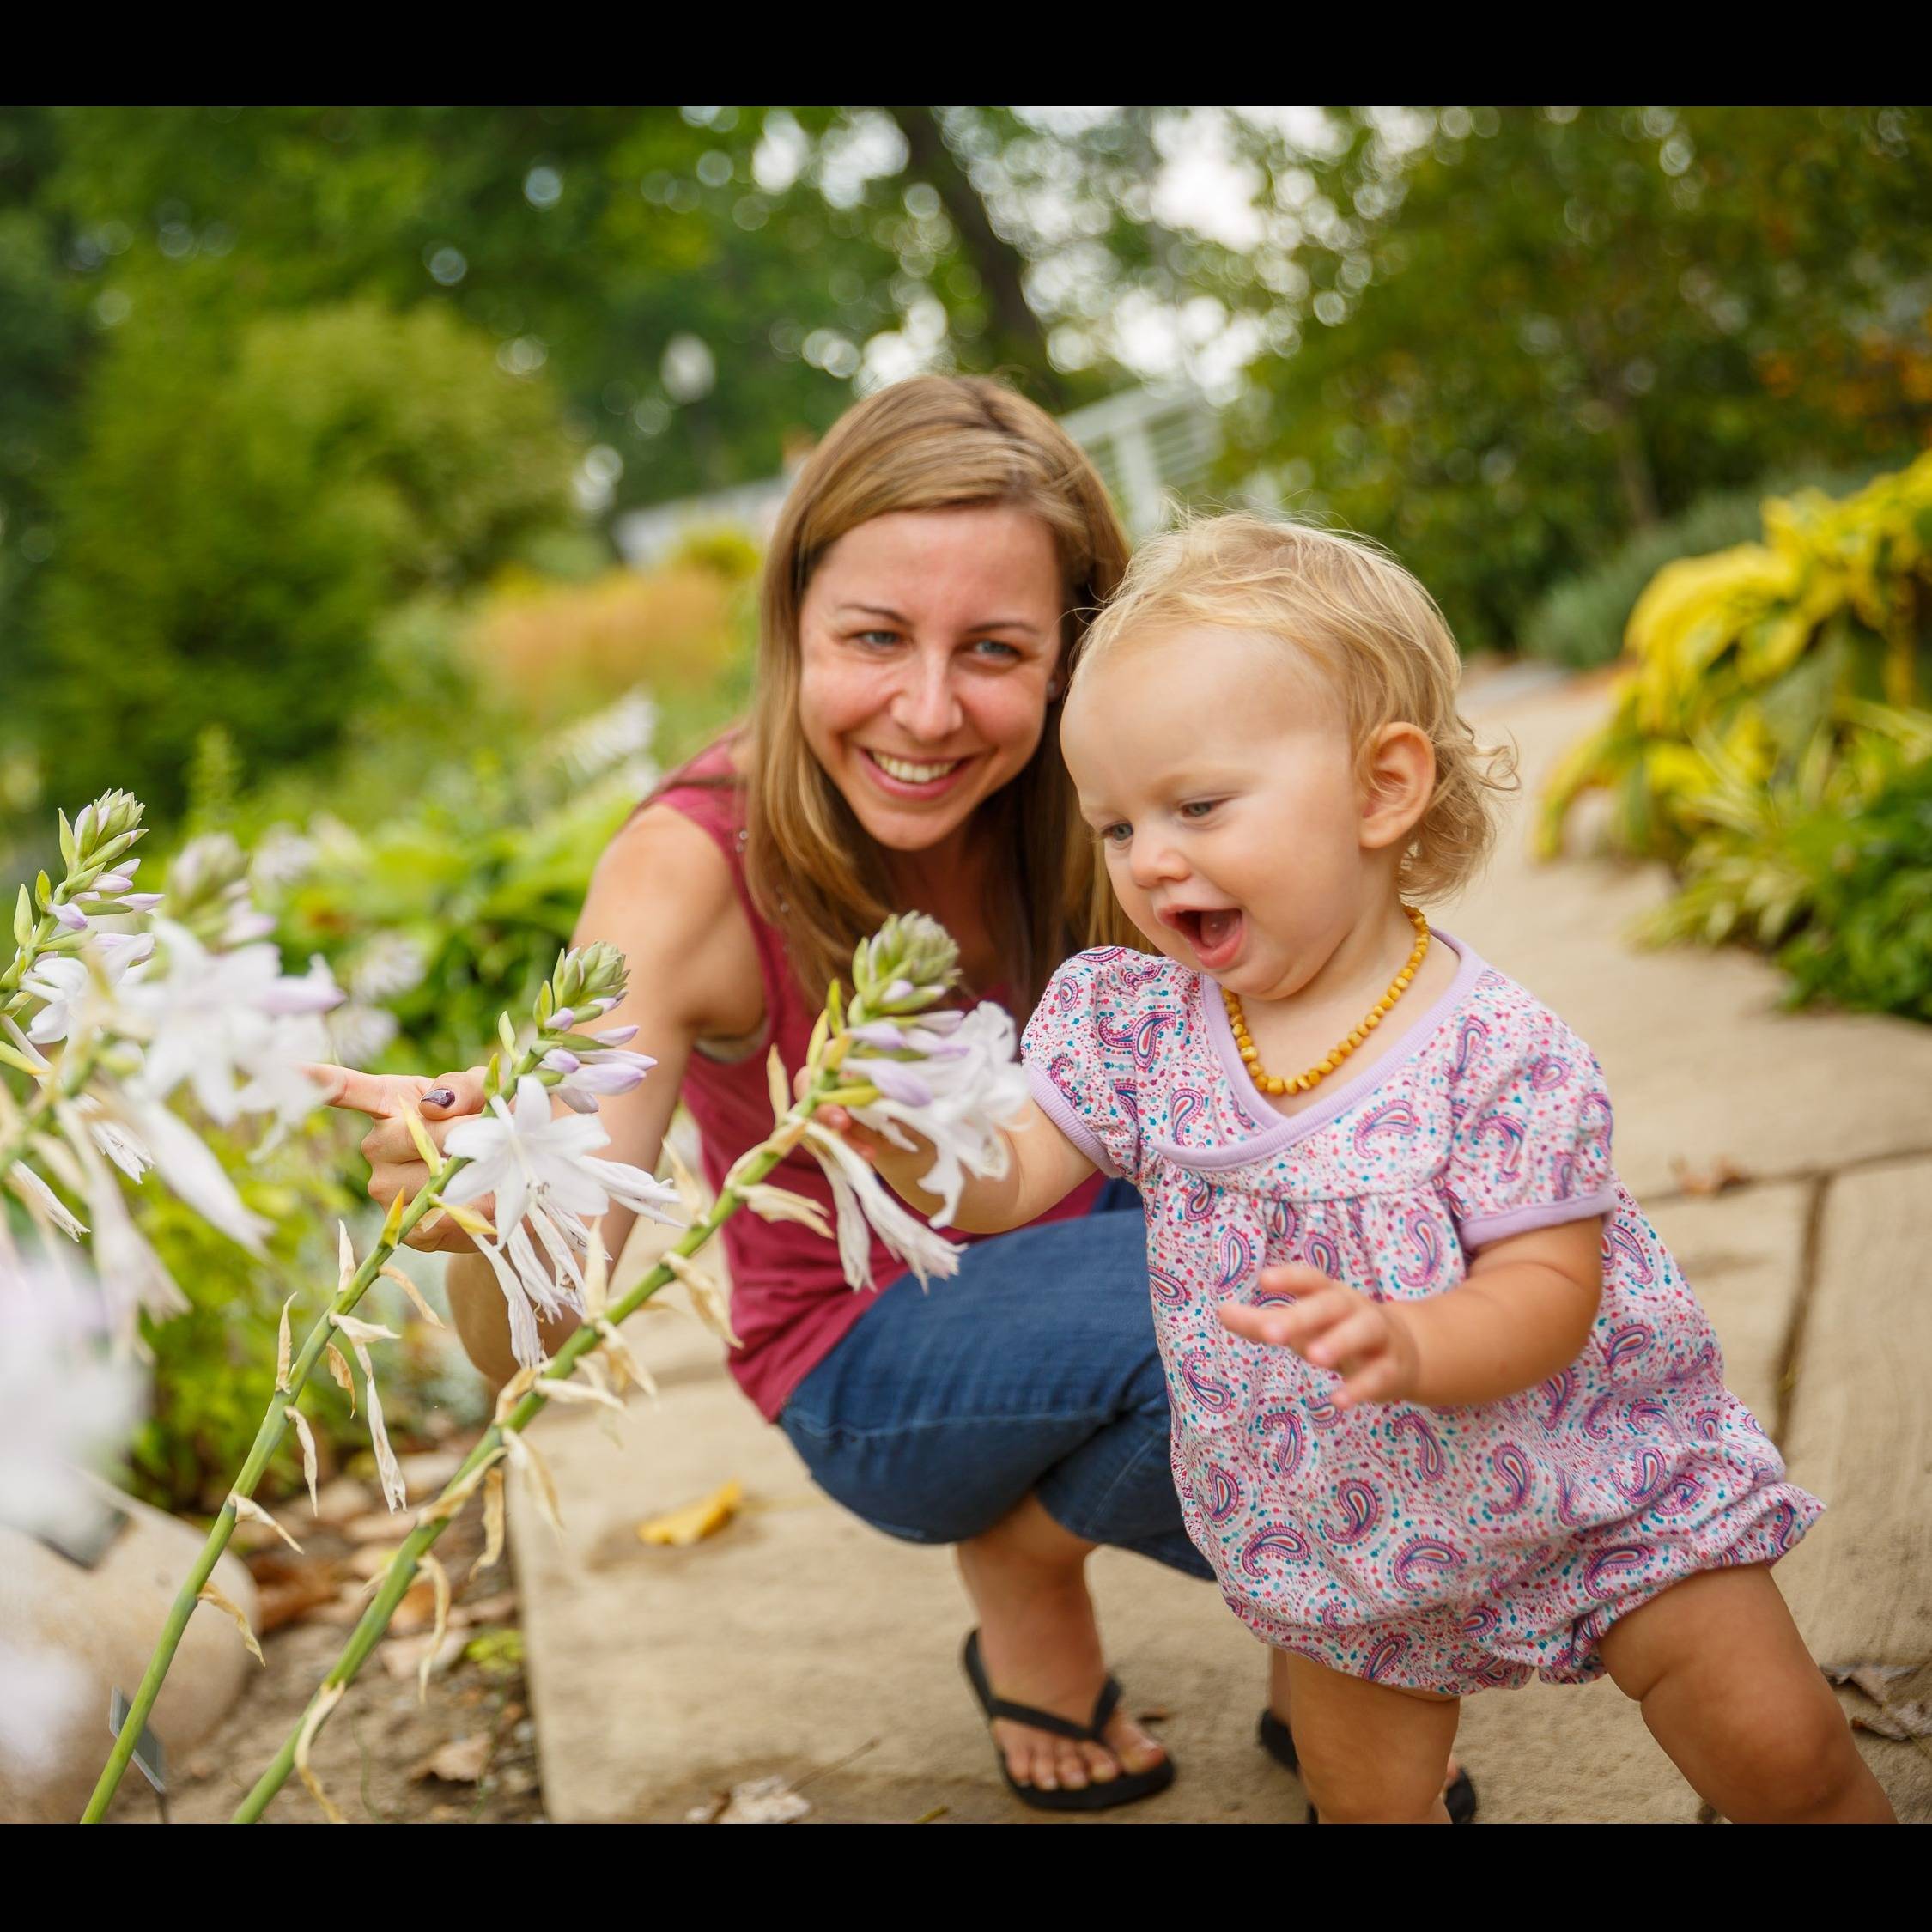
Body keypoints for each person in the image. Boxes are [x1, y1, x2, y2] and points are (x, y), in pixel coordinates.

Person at [322, 376, 1374, 1812]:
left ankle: (1050, 1559)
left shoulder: (1115, 801)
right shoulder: (691, 867)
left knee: (1403, 1273)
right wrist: (480, 1215)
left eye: (994, 650)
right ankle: (1347, 1646)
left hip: (1117, 1242)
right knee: (1285, 1323)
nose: (927, 712)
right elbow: (542, 1319)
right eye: (874, 638)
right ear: (792, 626)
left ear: (1073, 656)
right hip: (876, 1348)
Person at [821, 509, 1894, 1824]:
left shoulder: (1493, 1052)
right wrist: (909, 1149)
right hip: (1342, 1545)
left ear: (1382, 788)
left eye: (1197, 805)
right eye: (1114, 825)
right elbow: (1014, 1175)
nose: (1150, 860)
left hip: (1593, 1491)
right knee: (1366, 1804)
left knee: (1786, 1761)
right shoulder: (1138, 1030)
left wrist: (1411, 1339)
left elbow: (1552, 1290)